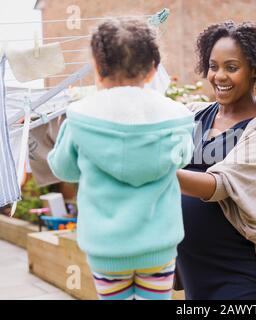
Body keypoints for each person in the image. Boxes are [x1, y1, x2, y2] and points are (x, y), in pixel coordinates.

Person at [47, 18, 194, 300]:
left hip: (106, 250)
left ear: (97, 69)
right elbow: (183, 159)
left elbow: (62, 169)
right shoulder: (177, 116)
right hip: (158, 248)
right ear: (153, 69)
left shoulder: (80, 117)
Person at [175, 20, 256, 300]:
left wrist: (159, 172)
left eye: (231, 67)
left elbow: (219, 184)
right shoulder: (194, 115)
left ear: (255, 70)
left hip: (239, 271)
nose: (219, 76)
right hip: (194, 272)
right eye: (213, 66)